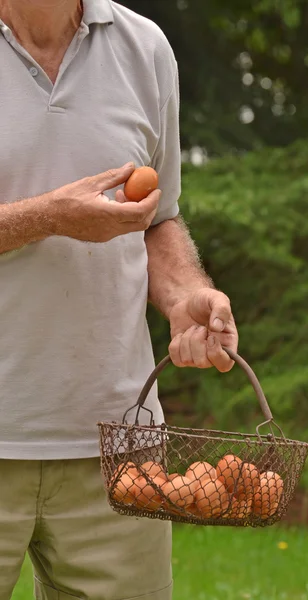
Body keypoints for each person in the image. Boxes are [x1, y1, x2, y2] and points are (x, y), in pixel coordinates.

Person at [0, 0, 238, 598]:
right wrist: (48, 217)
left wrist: (187, 294)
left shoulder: (146, 48)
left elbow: (158, 220)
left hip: (119, 450)